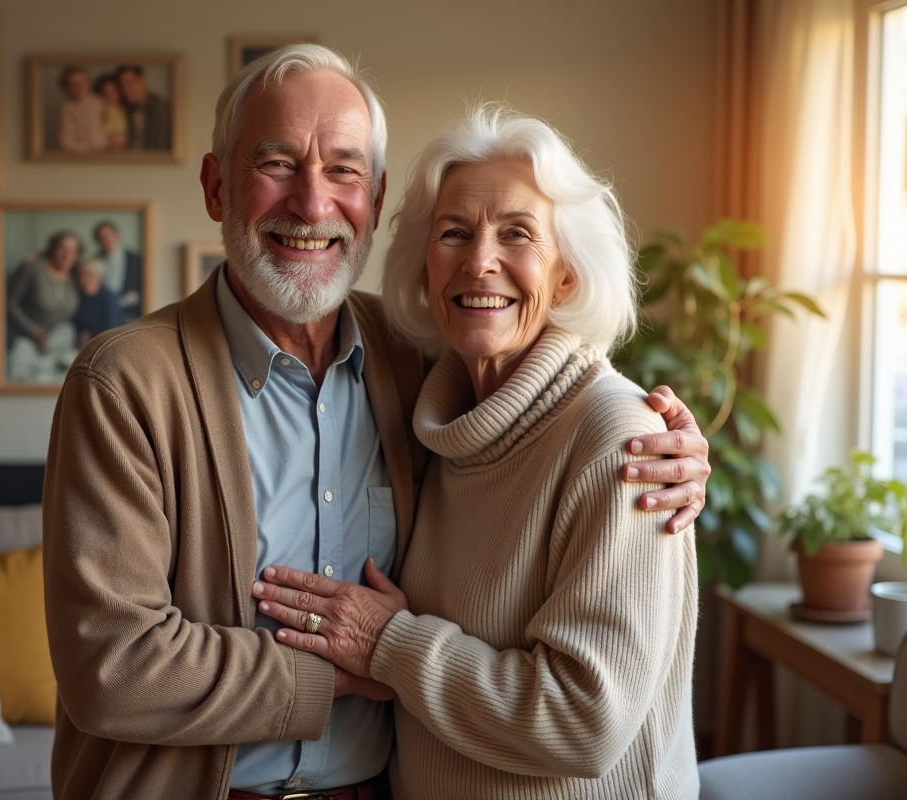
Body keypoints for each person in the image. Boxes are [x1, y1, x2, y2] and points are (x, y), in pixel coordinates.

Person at [42, 45, 709, 800]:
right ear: (215, 185)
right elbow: (110, 666)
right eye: (276, 164)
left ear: (376, 195)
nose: (312, 203)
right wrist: (341, 669)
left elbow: (556, 407)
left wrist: (668, 446)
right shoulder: (124, 381)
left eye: (343, 171)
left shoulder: (420, 362)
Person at [251, 105, 699, 799]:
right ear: (427, 271)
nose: (479, 261)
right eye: (453, 233)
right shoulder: (438, 420)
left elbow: (585, 723)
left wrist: (390, 644)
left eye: (516, 234)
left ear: (567, 276)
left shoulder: (621, 440)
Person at [6, 231, 81, 382]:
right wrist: (33, 330)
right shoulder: (33, 268)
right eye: (62, 248)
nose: (67, 255)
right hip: (27, 341)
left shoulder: (76, 275)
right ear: (52, 248)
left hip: (61, 345)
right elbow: (10, 302)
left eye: (73, 251)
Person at [79, 221, 142, 325]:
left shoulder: (136, 259)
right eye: (101, 238)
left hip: (131, 317)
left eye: (109, 236)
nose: (106, 240)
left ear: (117, 235)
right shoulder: (93, 262)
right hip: (101, 316)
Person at [116, 64, 172, 151]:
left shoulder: (163, 107)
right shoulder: (122, 108)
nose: (126, 90)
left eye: (130, 83)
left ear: (142, 80)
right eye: (122, 86)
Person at [71, 257, 122, 347]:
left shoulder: (110, 298)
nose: (82, 280)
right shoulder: (78, 296)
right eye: (80, 275)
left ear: (99, 277)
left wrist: (91, 338)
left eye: (88, 275)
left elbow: (110, 331)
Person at [56, 66, 106, 154]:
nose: (79, 86)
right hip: (81, 155)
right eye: (73, 83)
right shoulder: (66, 109)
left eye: (82, 82)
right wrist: (89, 149)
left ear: (88, 82)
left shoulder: (99, 102)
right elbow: (65, 141)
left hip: (106, 152)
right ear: (66, 87)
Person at [94, 73, 129, 150]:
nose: (110, 95)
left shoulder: (125, 109)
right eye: (105, 93)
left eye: (114, 91)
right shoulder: (97, 111)